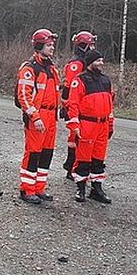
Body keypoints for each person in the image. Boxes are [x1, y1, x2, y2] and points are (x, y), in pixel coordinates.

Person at [16, 29, 60, 204]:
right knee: (33, 153)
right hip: (38, 116)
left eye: (52, 45)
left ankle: (39, 188)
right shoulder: (29, 68)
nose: (52, 48)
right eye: (49, 45)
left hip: (51, 116)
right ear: (39, 45)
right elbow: (24, 96)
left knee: (46, 154)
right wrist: (36, 117)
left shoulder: (50, 68)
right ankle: (27, 190)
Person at [66, 50, 114, 203]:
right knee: (83, 158)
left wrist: (110, 125)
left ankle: (97, 188)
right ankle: (80, 188)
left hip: (102, 124)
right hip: (87, 124)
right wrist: (74, 125)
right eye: (98, 60)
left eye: (102, 60)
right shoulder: (80, 80)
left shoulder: (106, 80)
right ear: (90, 62)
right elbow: (73, 104)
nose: (101, 63)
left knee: (99, 158)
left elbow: (110, 106)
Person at [61, 31, 97, 179]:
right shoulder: (77, 63)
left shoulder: (85, 62)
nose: (93, 47)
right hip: (75, 107)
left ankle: (73, 166)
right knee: (75, 138)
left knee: (79, 139)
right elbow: (69, 86)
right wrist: (67, 107)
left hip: (82, 106)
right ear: (84, 45)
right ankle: (71, 167)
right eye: (91, 44)